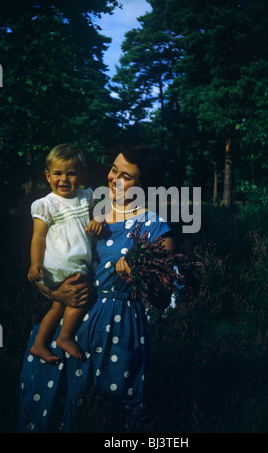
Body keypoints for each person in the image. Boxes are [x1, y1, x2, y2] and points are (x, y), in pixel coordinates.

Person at [18, 142, 174, 433]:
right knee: (51, 413)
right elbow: (50, 267)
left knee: (106, 420)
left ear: (144, 185)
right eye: (114, 170)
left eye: (126, 177)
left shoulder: (155, 227)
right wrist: (55, 293)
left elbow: (164, 297)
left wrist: (138, 276)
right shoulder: (87, 208)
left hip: (116, 333)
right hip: (64, 329)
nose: (115, 179)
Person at [27, 144, 102, 364]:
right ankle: (65, 337)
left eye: (71, 174)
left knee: (58, 305)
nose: (64, 179)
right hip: (62, 262)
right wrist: (35, 263)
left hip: (76, 260)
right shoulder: (46, 205)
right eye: (58, 174)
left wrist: (97, 220)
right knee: (79, 298)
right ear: (48, 175)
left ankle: (39, 345)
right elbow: (38, 237)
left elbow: (96, 214)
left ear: (82, 175)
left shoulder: (86, 196)